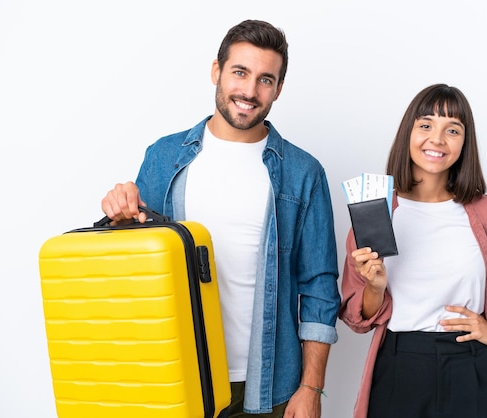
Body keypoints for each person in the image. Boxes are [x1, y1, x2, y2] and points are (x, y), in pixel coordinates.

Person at [101, 20, 341, 418]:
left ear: (279, 89)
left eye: (266, 79)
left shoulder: (304, 173)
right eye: (240, 73)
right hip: (175, 373)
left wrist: (311, 387)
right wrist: (117, 216)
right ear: (217, 71)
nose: (249, 92)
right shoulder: (163, 157)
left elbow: (319, 287)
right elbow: (133, 263)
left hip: (268, 386)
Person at [338, 84, 487, 418]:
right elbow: (357, 318)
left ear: (465, 143)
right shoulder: (375, 211)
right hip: (399, 367)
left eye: (453, 130)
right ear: (409, 133)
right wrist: (374, 286)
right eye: (426, 125)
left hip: (472, 367)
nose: (437, 139)